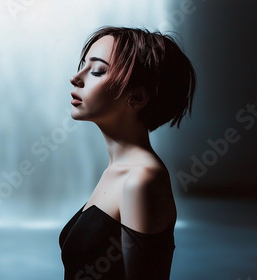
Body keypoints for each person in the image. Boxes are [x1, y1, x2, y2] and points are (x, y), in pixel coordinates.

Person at [59, 26, 196, 279]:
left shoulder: (141, 180)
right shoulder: (117, 170)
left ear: (137, 97)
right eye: (83, 65)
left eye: (97, 71)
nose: (76, 78)